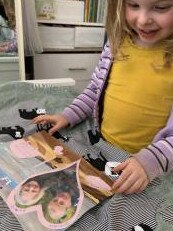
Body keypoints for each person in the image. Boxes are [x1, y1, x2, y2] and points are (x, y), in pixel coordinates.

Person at [33, 0, 173, 197]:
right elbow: (94, 91)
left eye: (161, 7)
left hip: (150, 164)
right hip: (101, 145)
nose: (142, 20)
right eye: (133, 5)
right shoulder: (116, 44)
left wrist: (150, 161)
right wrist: (67, 115)